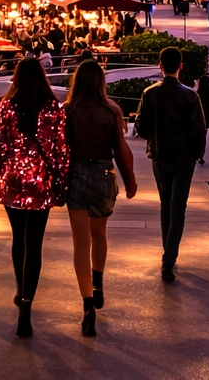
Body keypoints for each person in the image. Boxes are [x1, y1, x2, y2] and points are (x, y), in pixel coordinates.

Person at [0, 57, 70, 338]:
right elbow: (60, 149)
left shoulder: (6, 107)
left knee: (18, 237)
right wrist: (59, 178)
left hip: (13, 183)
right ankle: (27, 308)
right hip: (40, 185)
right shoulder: (52, 109)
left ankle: (21, 291)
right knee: (34, 244)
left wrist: (4, 168)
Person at [63, 60, 138, 337]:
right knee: (99, 234)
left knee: (81, 242)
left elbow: (61, 149)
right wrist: (129, 179)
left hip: (77, 174)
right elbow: (121, 150)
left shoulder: (68, 111)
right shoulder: (112, 110)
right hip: (104, 174)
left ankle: (87, 306)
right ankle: (98, 283)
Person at [133, 47, 207, 283]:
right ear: (180, 66)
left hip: (160, 156)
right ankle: (169, 257)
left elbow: (141, 128)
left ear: (160, 65)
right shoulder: (191, 96)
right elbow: (199, 130)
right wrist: (196, 154)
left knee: (165, 205)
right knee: (178, 208)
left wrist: (155, 138)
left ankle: (168, 253)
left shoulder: (149, 93)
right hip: (184, 159)